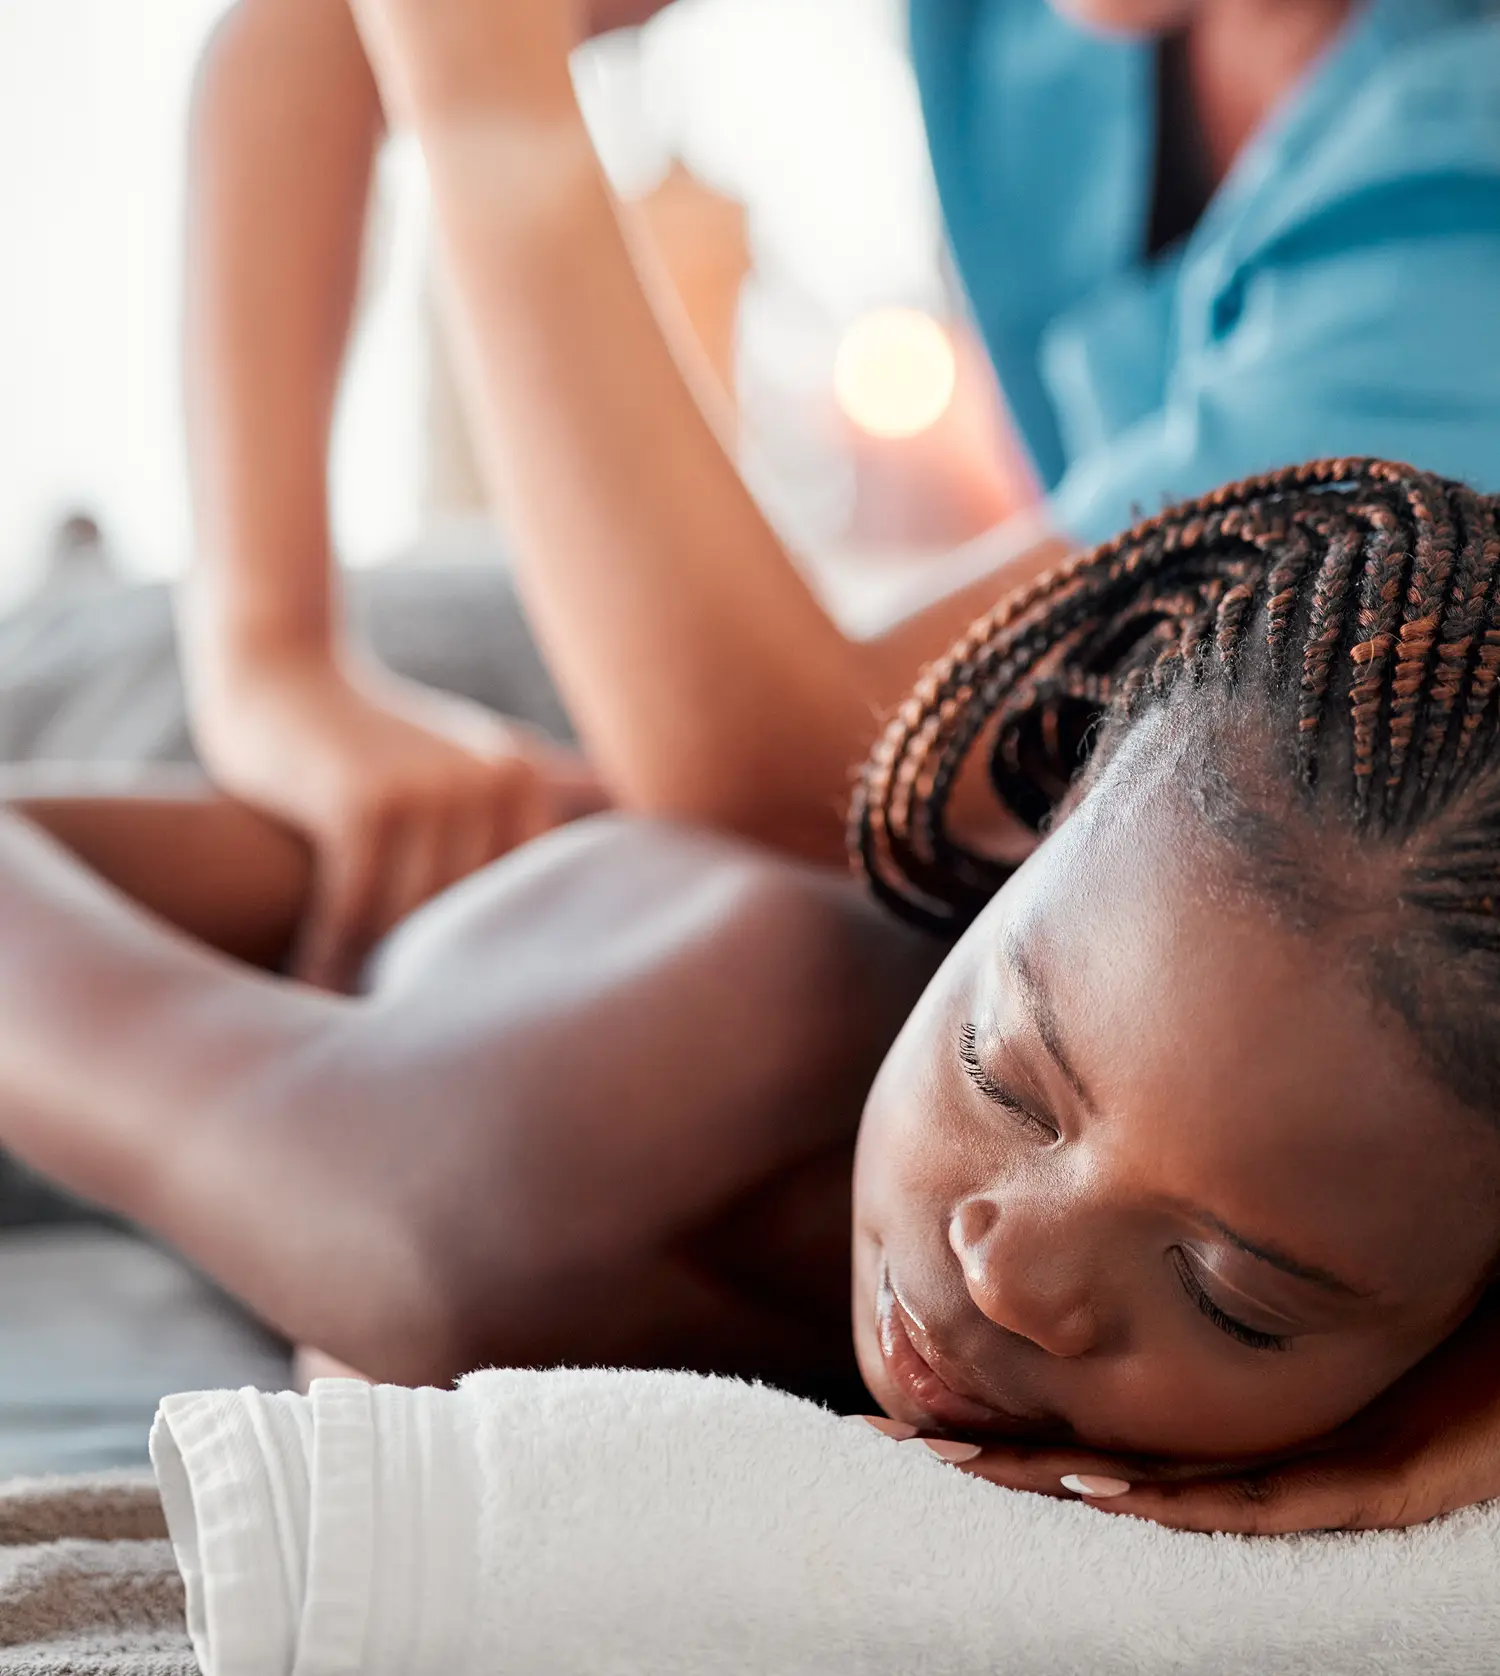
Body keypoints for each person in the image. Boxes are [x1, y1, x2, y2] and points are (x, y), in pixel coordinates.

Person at [5, 458, 1500, 1536]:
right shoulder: (493, 1213)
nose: (1007, 1273)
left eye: (1231, 1297)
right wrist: (352, 1358)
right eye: (1000, 1078)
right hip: (462, 762)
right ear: (1022, 849)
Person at [184, 0, 1500, 984]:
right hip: (1000, 746)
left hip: (1263, 902)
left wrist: (490, 109)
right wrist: (268, 659)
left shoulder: (1461, 175)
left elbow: (813, 782)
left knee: (723, 967)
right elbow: (315, 32)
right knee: (391, 683)